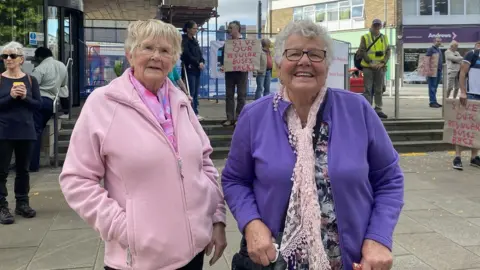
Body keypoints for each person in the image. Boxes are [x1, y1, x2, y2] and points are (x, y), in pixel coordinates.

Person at [222, 20, 404, 270]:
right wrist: (251, 223)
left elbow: (390, 178)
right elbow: (234, 179)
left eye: (315, 54)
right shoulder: (255, 116)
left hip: (349, 261)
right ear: (278, 63)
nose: (304, 61)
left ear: (327, 66)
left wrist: (378, 238)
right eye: (294, 53)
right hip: (275, 261)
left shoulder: (357, 109)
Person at [59, 19, 227, 270]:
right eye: (147, 48)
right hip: (140, 260)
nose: (156, 57)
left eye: (165, 50)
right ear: (130, 53)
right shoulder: (103, 104)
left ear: (174, 59)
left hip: (193, 253)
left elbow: (204, 163)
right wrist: (126, 230)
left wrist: (216, 218)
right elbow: (76, 179)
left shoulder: (180, 101)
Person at [0, 42, 42, 224]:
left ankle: (22, 203)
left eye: (12, 56)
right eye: (4, 56)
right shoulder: (0, 80)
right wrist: (10, 96)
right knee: (1, 171)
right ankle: (2, 206)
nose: (8, 59)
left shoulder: (31, 80)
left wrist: (25, 97)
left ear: (21, 59)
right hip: (3, 131)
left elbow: (38, 105)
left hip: (26, 130)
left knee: (23, 170)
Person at [30, 47, 68, 171]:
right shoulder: (62, 66)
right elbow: (63, 84)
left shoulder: (40, 68)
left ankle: (32, 165)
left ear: (40, 57)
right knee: (39, 130)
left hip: (39, 100)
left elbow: (31, 86)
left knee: (34, 132)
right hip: (52, 102)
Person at [452, 41, 480, 170]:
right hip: (471, 94)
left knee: (477, 128)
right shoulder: (472, 55)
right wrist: (463, 92)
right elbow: (462, 73)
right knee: (463, 126)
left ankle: (474, 157)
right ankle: (457, 157)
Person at [358, 19, 390, 119]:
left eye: (378, 25)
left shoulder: (384, 38)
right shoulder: (365, 37)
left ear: (380, 26)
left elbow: (388, 51)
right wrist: (370, 63)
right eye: (375, 25)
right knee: (368, 89)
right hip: (368, 67)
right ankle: (368, 109)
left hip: (380, 67)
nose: (376, 27)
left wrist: (383, 62)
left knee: (379, 89)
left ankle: (378, 109)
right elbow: (362, 51)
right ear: (372, 26)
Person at [218, 20, 249, 126]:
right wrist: (221, 64)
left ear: (237, 29)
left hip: (242, 74)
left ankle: (239, 118)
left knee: (241, 95)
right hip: (230, 73)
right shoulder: (227, 44)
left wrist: (248, 66)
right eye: (229, 28)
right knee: (229, 95)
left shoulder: (246, 43)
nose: (229, 30)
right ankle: (230, 118)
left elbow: (251, 58)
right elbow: (220, 54)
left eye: (231, 28)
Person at [181, 20, 205, 121]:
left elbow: (199, 53)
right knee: (191, 91)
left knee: (195, 92)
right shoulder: (184, 40)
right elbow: (186, 55)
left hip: (197, 70)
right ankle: (191, 112)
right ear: (188, 29)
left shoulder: (195, 41)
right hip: (189, 69)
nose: (196, 30)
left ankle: (195, 111)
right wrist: (196, 62)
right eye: (194, 28)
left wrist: (202, 61)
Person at [426, 37, 444, 108]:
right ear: (434, 41)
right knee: (432, 87)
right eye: (437, 41)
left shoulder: (439, 50)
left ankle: (435, 101)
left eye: (440, 41)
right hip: (432, 71)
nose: (439, 42)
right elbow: (426, 60)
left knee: (435, 87)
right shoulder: (430, 49)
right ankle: (432, 102)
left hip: (439, 71)